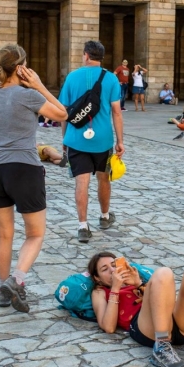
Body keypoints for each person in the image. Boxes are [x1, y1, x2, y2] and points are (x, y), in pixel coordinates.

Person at [0, 44, 68, 311]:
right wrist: (39, 85)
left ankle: (3, 291)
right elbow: (63, 114)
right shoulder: (28, 96)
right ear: (21, 68)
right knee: (35, 233)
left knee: (4, 234)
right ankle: (16, 280)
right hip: (24, 168)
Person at [88, 252, 184, 367]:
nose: (112, 270)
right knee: (163, 272)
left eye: (114, 265)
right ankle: (161, 348)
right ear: (97, 278)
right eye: (105, 269)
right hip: (146, 329)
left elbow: (162, 297)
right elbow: (108, 327)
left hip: (175, 323)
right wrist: (115, 288)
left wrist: (138, 283)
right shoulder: (99, 291)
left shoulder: (133, 280)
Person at [59, 40, 124, 243]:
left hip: (76, 139)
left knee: (82, 182)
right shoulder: (111, 79)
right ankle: (104, 217)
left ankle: (82, 226)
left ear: (86, 55)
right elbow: (116, 112)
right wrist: (120, 140)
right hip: (103, 140)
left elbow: (64, 112)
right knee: (104, 178)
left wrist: (64, 138)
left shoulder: (72, 77)